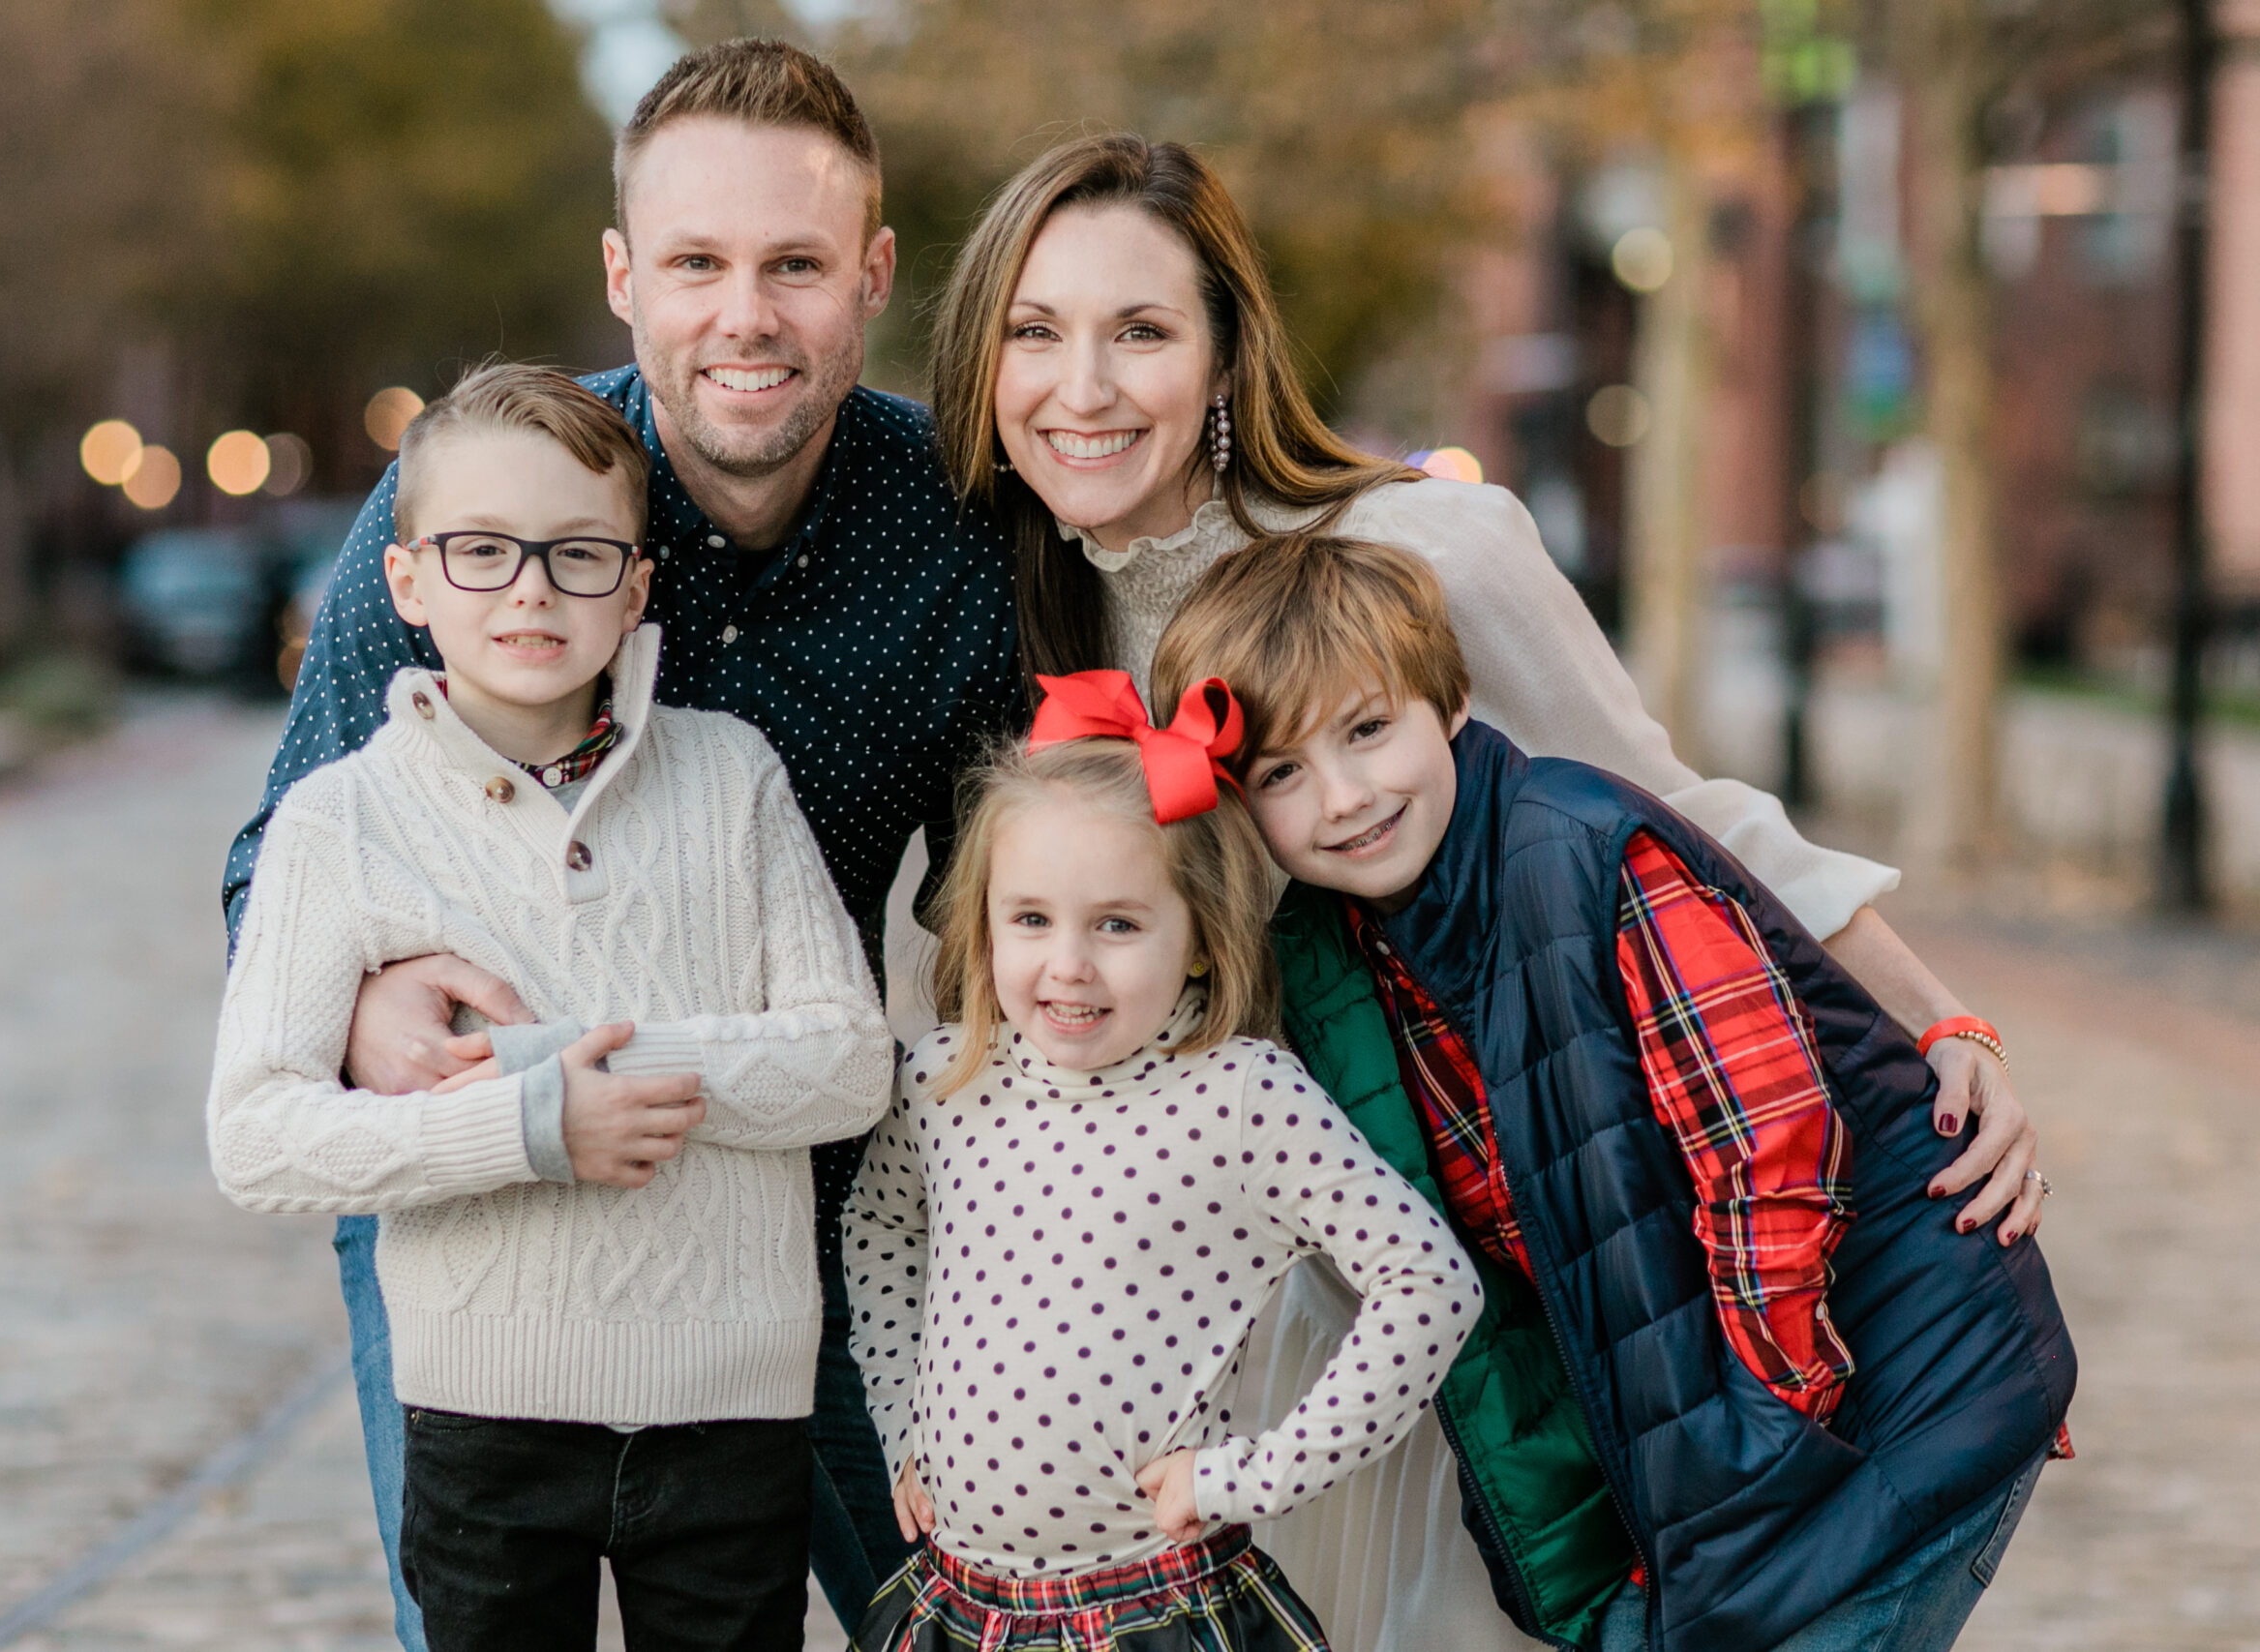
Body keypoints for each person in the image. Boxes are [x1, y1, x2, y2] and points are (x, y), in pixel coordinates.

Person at [922, 132, 2048, 1649]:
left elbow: (1689, 817)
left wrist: (1945, 1021)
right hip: (1270, 1306)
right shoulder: (1030, 616)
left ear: (1227, 357)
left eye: (1141, 330)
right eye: (1036, 333)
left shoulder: (1418, 550)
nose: (1085, 385)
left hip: (1540, 1259)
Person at [219, 42, 1016, 1641]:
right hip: (476, 1222)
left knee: (953, 1601)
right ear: (622, 276)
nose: (745, 315)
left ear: (871, 277)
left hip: (794, 1200)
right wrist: (376, 1010)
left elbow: (1017, 908)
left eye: (795, 266)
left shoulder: (955, 528)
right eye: (696, 262)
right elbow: (282, 868)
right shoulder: (486, 496)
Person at [1149, 531, 2074, 1652]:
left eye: (1366, 730)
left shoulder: (1583, 855)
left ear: (1446, 702)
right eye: (1281, 775)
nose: (1343, 797)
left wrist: (1755, 1441)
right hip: (1722, 1457)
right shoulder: (1355, 955)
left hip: (1898, 1392)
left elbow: (1767, 1152)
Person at [207, 363, 896, 1650]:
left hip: (731, 1412)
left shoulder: (731, 779)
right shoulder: (340, 822)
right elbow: (257, 1134)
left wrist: (579, 1076)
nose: (530, 589)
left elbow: (849, 1061)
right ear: (407, 580)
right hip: (483, 1422)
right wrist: (528, 1125)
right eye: (481, 551)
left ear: (635, 587)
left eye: (578, 554)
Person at [843, 677, 1482, 1651]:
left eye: (1118, 924)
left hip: (1155, 1611)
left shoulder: (1239, 1098)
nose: (1068, 964)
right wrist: (902, 1423)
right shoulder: (944, 1077)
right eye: (1030, 919)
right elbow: (882, 1226)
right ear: (983, 923)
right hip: (958, 1607)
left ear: (1197, 940)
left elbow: (1431, 1285)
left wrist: (1248, 1476)